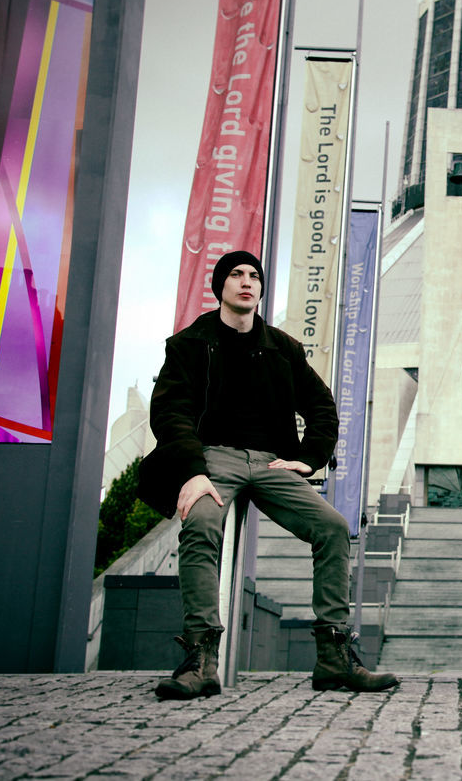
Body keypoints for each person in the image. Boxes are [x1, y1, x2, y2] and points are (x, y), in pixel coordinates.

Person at [139, 250, 398, 700]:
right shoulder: (188, 345)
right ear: (220, 286)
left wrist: (308, 457)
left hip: (270, 463)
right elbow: (169, 412)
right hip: (211, 458)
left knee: (333, 528)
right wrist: (192, 472)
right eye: (236, 275)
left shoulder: (284, 349)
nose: (246, 282)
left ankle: (334, 658)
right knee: (200, 524)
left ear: (260, 288)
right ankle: (200, 659)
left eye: (253, 276)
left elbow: (322, 407)